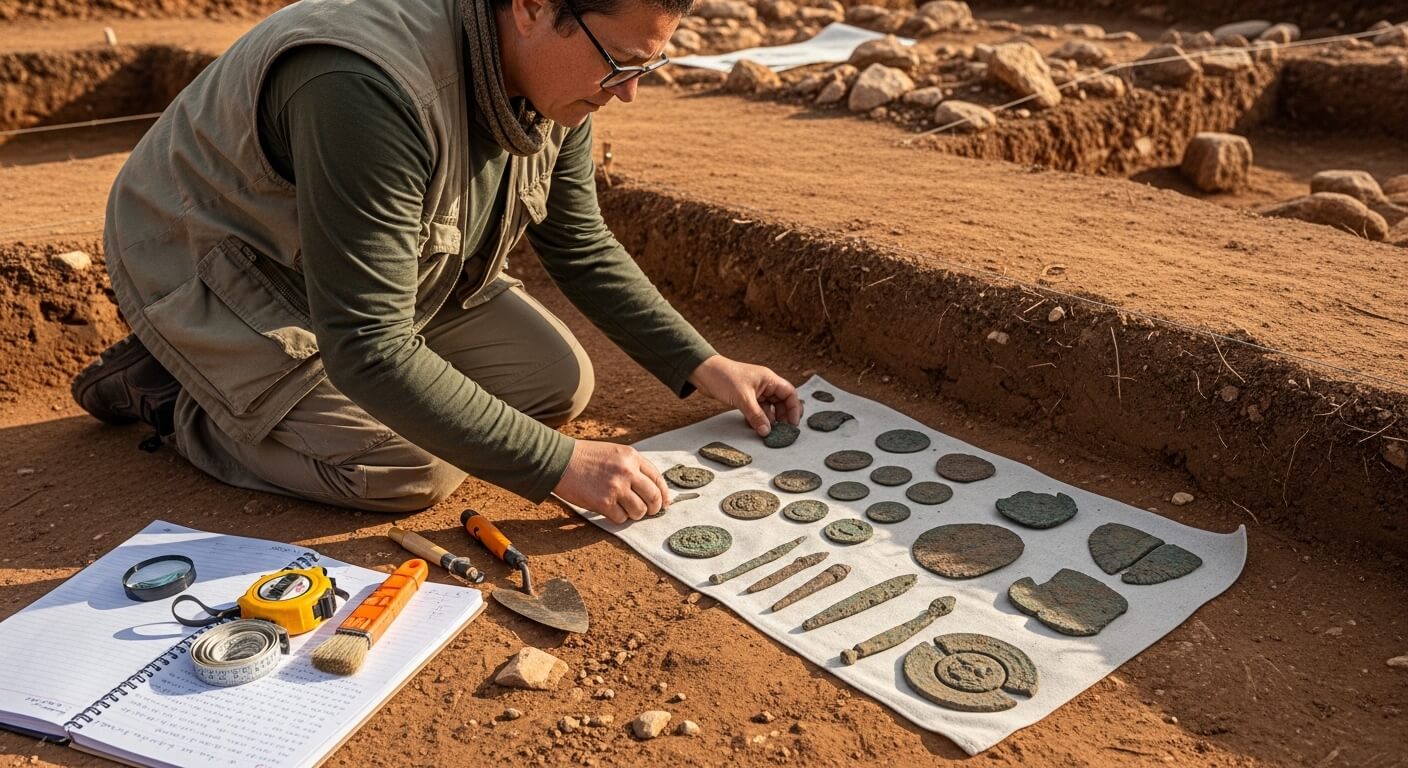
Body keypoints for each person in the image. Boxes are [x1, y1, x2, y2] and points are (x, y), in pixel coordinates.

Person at [72, 0, 800, 522]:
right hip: (222, 268)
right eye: (622, 63)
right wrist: (559, 466)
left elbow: (578, 241)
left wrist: (708, 365)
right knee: (410, 469)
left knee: (557, 381)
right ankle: (176, 392)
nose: (631, 91)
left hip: (368, 274)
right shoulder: (366, 84)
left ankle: (298, 395)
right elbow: (368, 345)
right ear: (532, 8)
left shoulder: (559, 83)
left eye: (651, 64)